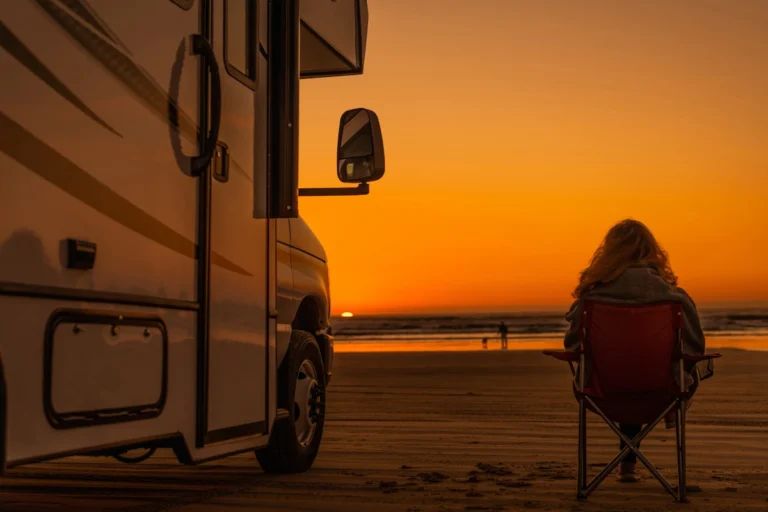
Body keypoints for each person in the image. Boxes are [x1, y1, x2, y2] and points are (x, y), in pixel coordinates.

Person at [562, 219, 706, 483]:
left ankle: (622, 466)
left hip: (601, 389)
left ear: (608, 252)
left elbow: (572, 345)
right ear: (652, 251)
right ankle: (638, 456)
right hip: (662, 391)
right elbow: (695, 346)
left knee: (626, 374)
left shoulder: (591, 298)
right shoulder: (675, 297)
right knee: (658, 373)